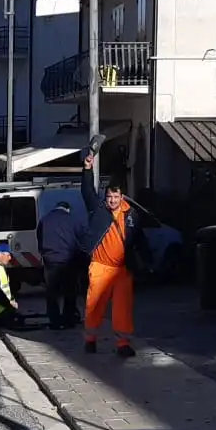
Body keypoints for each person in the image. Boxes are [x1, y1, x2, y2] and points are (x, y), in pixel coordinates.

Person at [80, 152, 143, 357]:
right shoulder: (98, 209)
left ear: (122, 197)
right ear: (105, 197)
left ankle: (123, 344)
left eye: (116, 197)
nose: (112, 200)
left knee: (123, 308)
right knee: (94, 304)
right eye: (109, 197)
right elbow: (87, 191)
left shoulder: (131, 214)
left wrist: (145, 259)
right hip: (100, 266)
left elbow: (138, 239)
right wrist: (87, 169)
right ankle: (90, 340)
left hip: (122, 269)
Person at [35, 198, 83, 329]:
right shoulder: (73, 219)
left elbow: (39, 238)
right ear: (67, 209)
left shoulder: (44, 220)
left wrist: (44, 253)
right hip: (69, 261)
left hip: (51, 261)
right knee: (70, 291)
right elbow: (81, 239)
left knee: (51, 293)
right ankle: (68, 320)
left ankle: (54, 321)